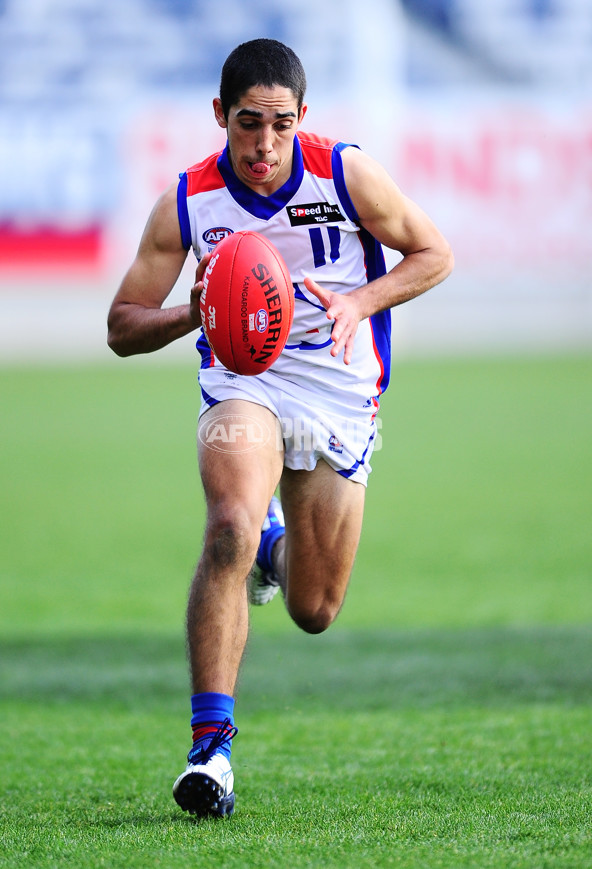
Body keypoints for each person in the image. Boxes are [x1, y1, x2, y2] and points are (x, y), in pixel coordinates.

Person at [107, 38, 453, 819]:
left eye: (281, 124)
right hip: (244, 379)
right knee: (226, 524)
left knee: (314, 608)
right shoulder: (190, 201)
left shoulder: (345, 173)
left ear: (303, 118)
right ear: (220, 116)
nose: (265, 145)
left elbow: (435, 253)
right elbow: (121, 325)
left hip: (338, 386)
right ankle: (211, 750)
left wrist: (361, 302)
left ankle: (276, 548)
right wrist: (188, 314)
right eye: (248, 124)